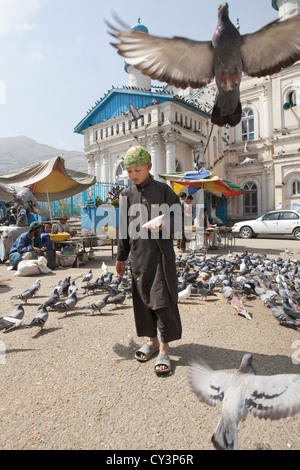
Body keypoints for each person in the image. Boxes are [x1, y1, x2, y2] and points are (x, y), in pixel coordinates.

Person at [116, 145, 182, 376]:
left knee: (162, 300)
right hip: (139, 257)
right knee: (142, 301)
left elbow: (179, 214)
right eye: (129, 170)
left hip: (161, 255)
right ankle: (152, 341)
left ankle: (165, 347)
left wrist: (165, 222)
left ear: (149, 167)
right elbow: (123, 228)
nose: (133, 174)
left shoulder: (163, 190)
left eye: (137, 170)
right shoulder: (126, 195)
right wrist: (121, 257)